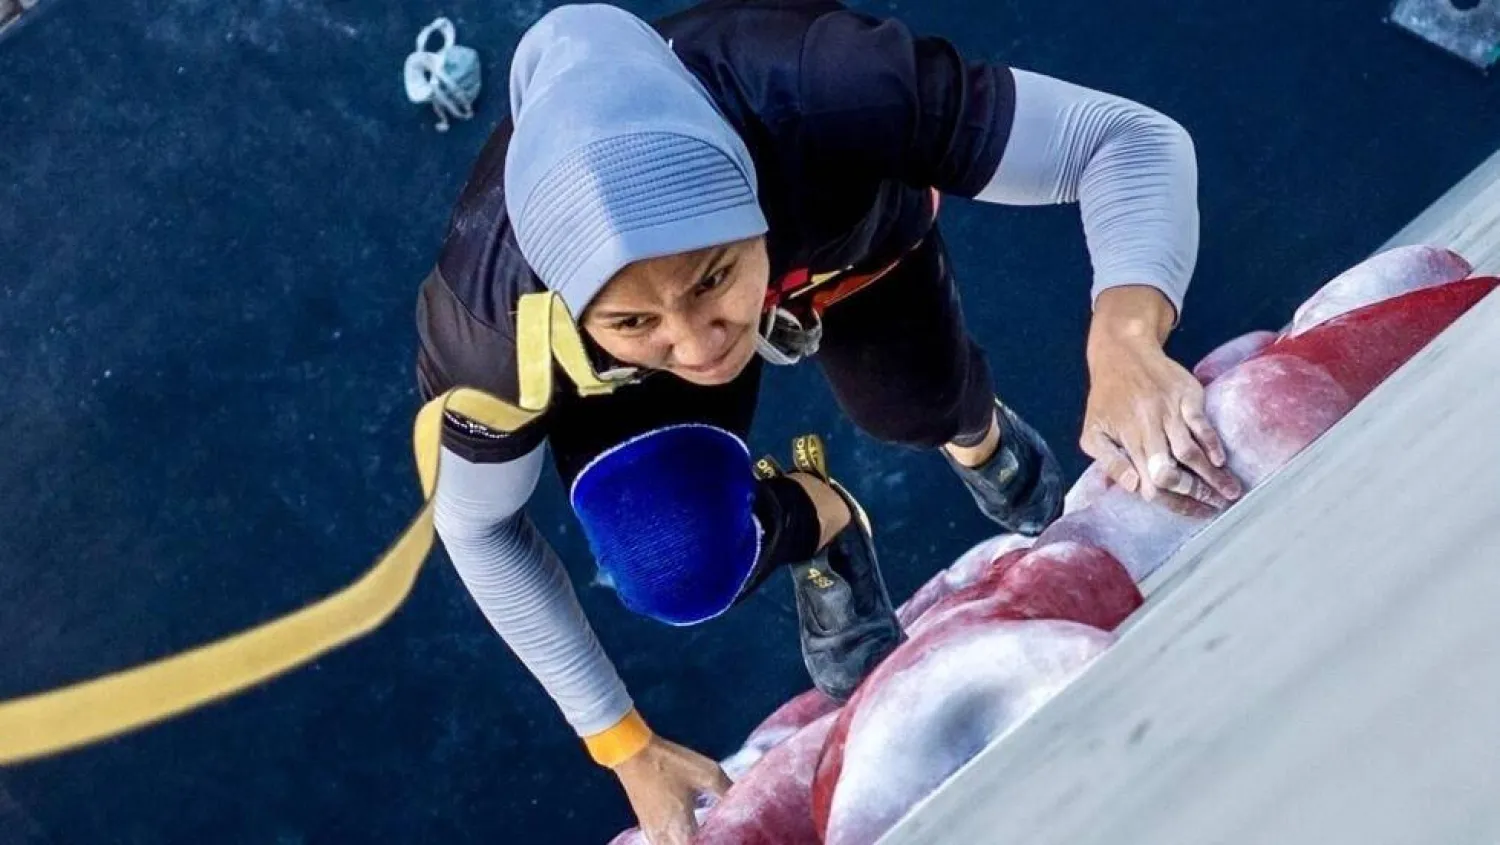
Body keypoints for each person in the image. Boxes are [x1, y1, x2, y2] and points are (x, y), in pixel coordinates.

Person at [417, 2, 1242, 841]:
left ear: (749, 190)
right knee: (675, 567)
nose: (702, 347)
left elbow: (1126, 140)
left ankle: (974, 434)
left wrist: (1127, 337)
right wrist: (622, 742)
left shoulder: (830, 87)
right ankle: (820, 516)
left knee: (918, 407)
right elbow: (480, 528)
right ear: (564, 306)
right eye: (635, 318)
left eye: (711, 277)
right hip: (682, 344)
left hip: (844, 241)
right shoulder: (488, 330)